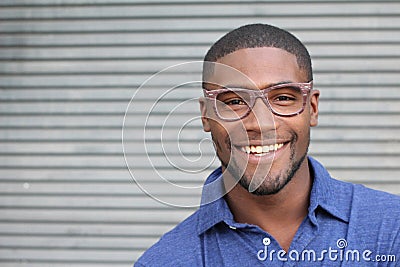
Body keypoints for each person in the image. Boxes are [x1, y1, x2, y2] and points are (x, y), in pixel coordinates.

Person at [135, 23, 399, 266]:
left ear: (313, 108)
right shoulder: (164, 261)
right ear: (206, 116)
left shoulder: (391, 228)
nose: (261, 124)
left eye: (283, 97)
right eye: (235, 101)